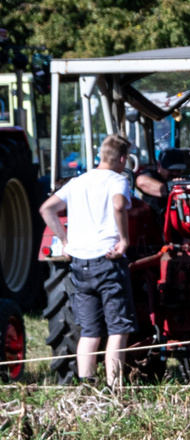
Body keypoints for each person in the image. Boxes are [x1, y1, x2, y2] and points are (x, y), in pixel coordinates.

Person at [38, 133, 135, 389]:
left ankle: (88, 388)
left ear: (101, 155)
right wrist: (123, 239)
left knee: (90, 331)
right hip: (108, 261)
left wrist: (65, 241)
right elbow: (117, 205)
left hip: (80, 264)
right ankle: (115, 389)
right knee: (117, 329)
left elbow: (46, 208)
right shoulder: (118, 180)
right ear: (123, 158)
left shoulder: (78, 182)